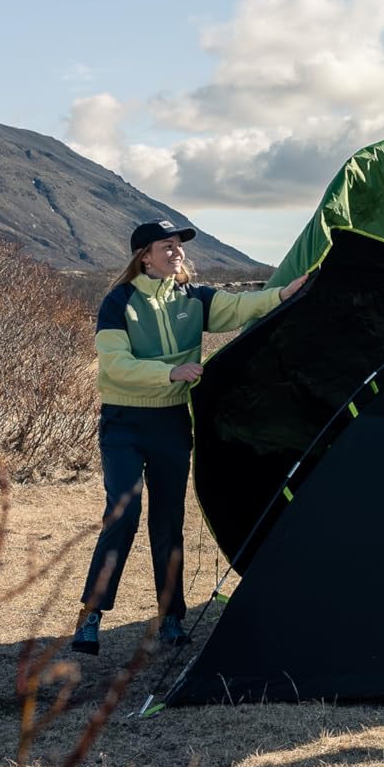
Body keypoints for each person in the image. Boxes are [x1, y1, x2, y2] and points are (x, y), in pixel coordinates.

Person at [75, 222, 305, 656]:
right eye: (166, 246)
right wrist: (171, 372)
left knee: (168, 521)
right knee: (123, 514)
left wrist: (282, 294)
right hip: (124, 422)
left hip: (171, 423)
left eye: (178, 245)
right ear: (144, 256)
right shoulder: (118, 302)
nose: (176, 251)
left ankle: (171, 617)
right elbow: (116, 364)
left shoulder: (193, 297)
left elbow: (241, 306)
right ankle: (91, 614)